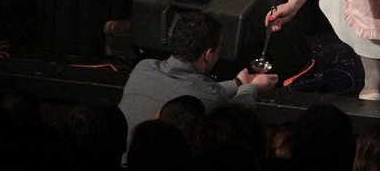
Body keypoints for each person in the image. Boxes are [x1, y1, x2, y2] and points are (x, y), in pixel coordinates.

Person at [118, 11, 278, 152]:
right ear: (208, 55)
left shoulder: (143, 68)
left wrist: (238, 83)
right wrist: (251, 88)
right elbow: (240, 120)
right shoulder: (210, 98)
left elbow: (189, 88)